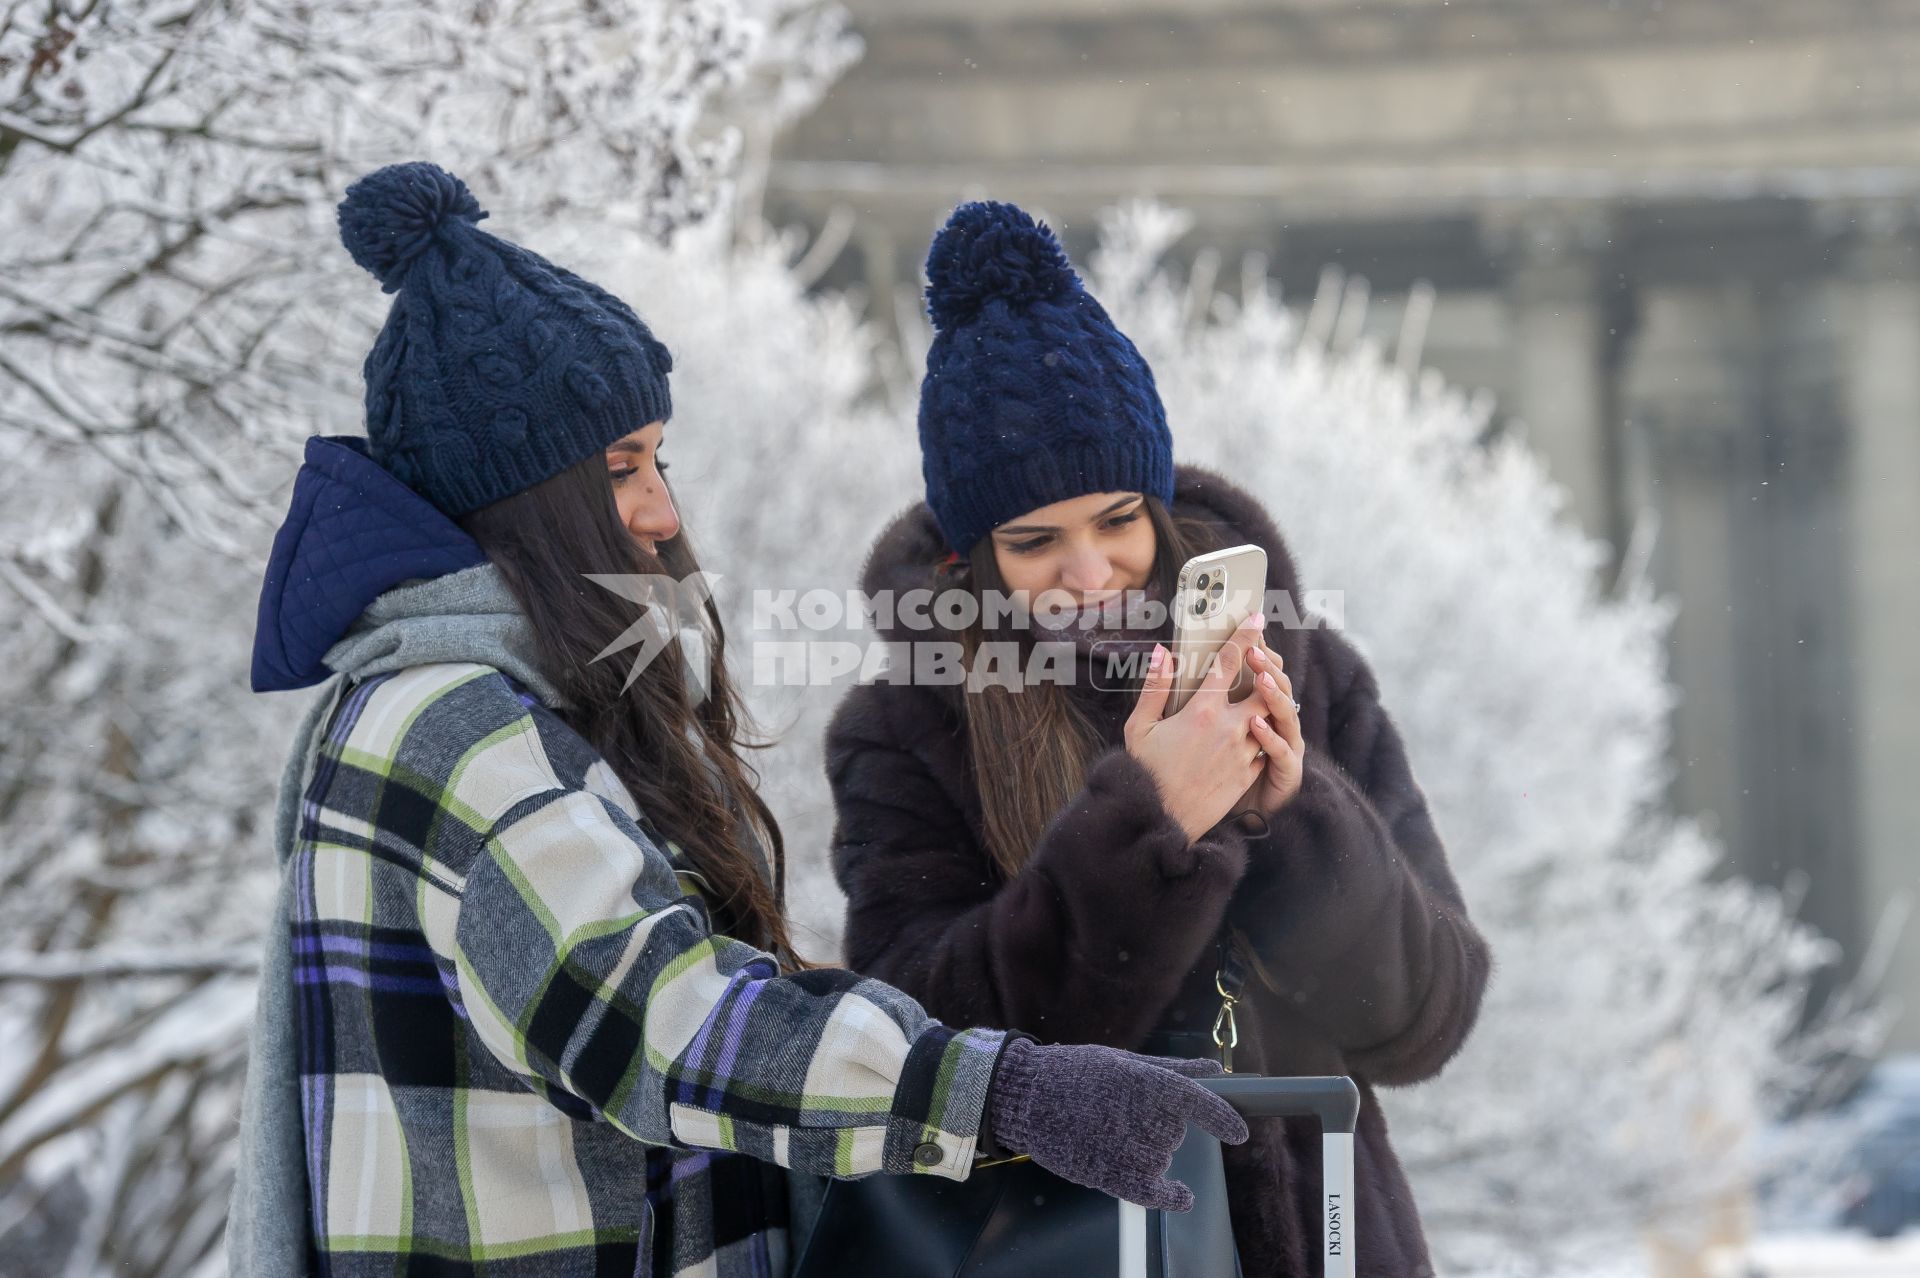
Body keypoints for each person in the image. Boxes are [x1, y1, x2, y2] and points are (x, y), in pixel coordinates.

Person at [226, 165, 1247, 1278]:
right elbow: (655, 1019)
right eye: (621, 469)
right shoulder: (453, 725)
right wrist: (999, 1089)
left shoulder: (481, 703)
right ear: (523, 496)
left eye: (659, 459)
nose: (664, 510)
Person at [826, 201, 1492, 1278]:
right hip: (1074, 1248)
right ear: (968, 559)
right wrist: (1145, 831)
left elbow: (1426, 1017)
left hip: (1334, 1241)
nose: (1088, 575)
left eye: (1117, 522)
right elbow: (928, 1049)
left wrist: (1296, 813)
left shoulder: (1306, 671)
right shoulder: (906, 729)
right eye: (1034, 541)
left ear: (1162, 509)